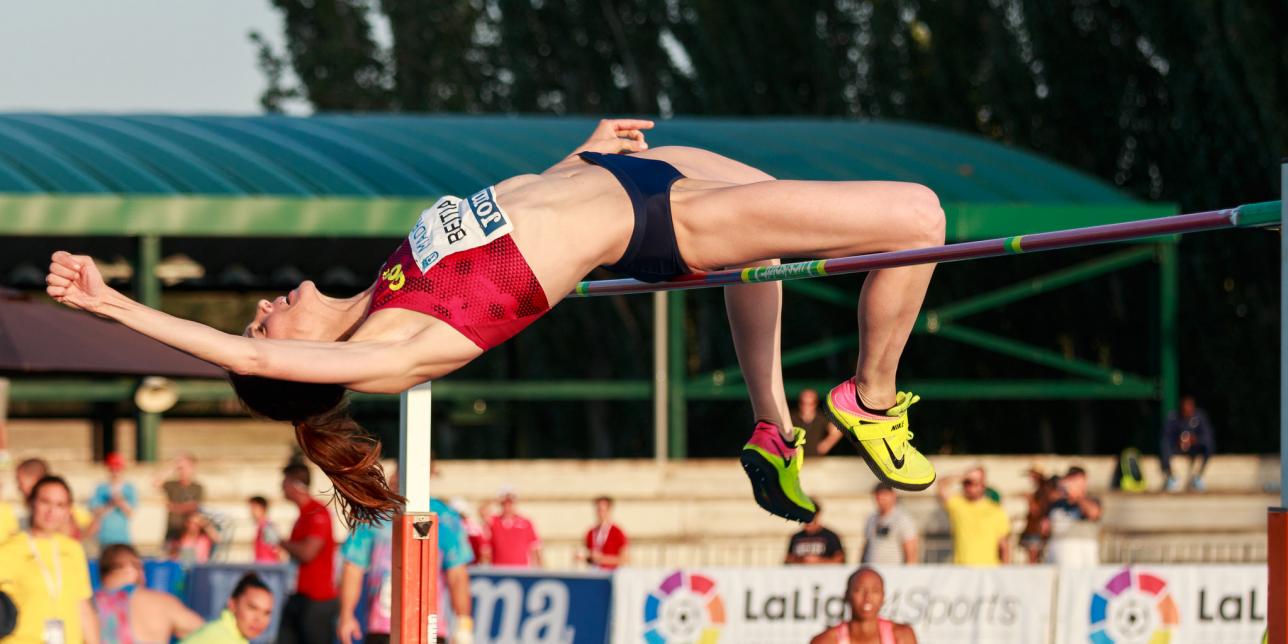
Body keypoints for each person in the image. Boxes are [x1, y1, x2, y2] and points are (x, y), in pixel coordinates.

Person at [46, 119, 946, 525]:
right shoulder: (388, 351)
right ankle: (869, 397)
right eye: (264, 330)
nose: (260, 310)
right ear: (296, 365)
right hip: (658, 223)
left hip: (637, 173)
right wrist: (111, 303)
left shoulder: (385, 284)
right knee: (920, 218)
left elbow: (510, 209)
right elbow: (230, 348)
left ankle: (773, 428)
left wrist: (579, 153)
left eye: (259, 315)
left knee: (764, 264)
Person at [336, 481, 474, 644]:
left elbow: (457, 574)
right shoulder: (375, 512)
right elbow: (353, 567)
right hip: (384, 626)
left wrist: (464, 625)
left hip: (428, 627)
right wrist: (346, 615)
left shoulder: (445, 517)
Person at [0, 475, 99, 644]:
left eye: (60, 505)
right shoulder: (9, 549)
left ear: (68, 510)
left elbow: (82, 606)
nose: (51, 511)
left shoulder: (73, 549)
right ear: (31, 503)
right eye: (45, 502)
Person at [92, 544, 204, 643]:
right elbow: (206, 634)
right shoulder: (159, 603)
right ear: (132, 567)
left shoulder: (85, 605)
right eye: (141, 568)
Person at [278, 462, 338, 644]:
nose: (281, 487)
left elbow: (307, 553)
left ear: (296, 485)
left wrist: (280, 542)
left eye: (285, 482)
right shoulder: (302, 515)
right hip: (299, 595)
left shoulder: (317, 513)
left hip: (317, 599)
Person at [809, 567, 917, 644]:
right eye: (859, 590)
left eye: (875, 591)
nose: (867, 598)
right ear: (846, 595)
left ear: (883, 597)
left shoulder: (902, 636)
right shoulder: (825, 641)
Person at [936, 467, 1011, 566]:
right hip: (962, 568)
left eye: (974, 483)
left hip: (990, 568)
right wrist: (963, 476)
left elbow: (1004, 545)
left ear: (983, 485)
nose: (969, 487)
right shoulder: (957, 504)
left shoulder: (996, 510)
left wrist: (1005, 570)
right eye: (966, 483)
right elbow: (941, 484)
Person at [181, 572, 275, 644]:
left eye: (267, 613)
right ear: (232, 604)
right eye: (252, 608)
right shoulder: (221, 638)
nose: (259, 619)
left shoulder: (218, 630)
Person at [1042, 466, 1102, 567]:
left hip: (1082, 562)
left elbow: (1093, 513)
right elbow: (1045, 530)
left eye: (1077, 481)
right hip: (1057, 559)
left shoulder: (1092, 500)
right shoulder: (1056, 503)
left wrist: (1078, 496)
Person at [1161, 395, 1216, 492]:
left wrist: (1195, 440)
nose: (1187, 411)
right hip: (1177, 448)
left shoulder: (1200, 417)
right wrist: (1177, 441)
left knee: (1208, 444)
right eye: (1184, 408)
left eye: (1190, 408)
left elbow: (1207, 435)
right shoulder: (1173, 417)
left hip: (1194, 448)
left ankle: (1198, 477)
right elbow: (1166, 436)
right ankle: (1171, 478)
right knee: (1164, 445)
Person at [88, 452, 137, 550]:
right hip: (104, 537)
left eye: (117, 469)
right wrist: (110, 503)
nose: (115, 472)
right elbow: (95, 511)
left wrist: (121, 502)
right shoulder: (101, 488)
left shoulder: (129, 489)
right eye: (112, 469)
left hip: (122, 538)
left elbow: (131, 513)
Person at [861, 483, 919, 564]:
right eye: (878, 494)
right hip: (872, 569)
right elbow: (867, 546)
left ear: (893, 495)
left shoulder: (902, 519)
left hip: (893, 571)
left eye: (884, 494)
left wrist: (908, 573)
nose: (880, 498)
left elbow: (911, 551)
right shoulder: (871, 518)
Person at [157, 454, 204, 549]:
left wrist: (175, 507)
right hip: (172, 529)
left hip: (188, 533)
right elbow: (156, 482)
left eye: (185, 467)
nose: (182, 471)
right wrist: (170, 466)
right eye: (180, 468)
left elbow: (194, 506)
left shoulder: (197, 487)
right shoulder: (172, 485)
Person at [487, 488, 541, 567]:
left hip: (520, 570)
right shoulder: (493, 522)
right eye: (504, 504)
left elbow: (535, 548)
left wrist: (539, 569)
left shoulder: (526, 523)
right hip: (498, 570)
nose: (508, 507)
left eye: (510, 504)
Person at [1018, 468, 1057, 564]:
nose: (1030, 479)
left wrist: (1030, 500)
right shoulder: (1041, 490)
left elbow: (1038, 512)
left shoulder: (1044, 490)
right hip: (1034, 529)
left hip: (1037, 531)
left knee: (1033, 561)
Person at [791, 388, 843, 456]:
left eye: (810, 404)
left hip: (816, 460)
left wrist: (826, 445)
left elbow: (837, 431)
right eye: (803, 403)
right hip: (796, 459)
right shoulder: (791, 417)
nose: (806, 406)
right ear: (799, 403)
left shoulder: (822, 418)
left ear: (815, 404)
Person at [581, 496, 628, 570]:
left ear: (609, 511)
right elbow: (591, 558)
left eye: (603, 510)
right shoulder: (591, 533)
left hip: (611, 574)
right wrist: (584, 558)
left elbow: (624, 559)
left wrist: (602, 559)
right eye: (598, 510)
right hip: (594, 572)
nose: (600, 513)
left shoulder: (617, 532)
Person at [249, 495, 284, 563]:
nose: (251, 511)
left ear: (262, 508)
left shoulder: (268, 527)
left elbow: (277, 550)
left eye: (254, 508)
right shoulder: (261, 526)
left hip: (268, 569)